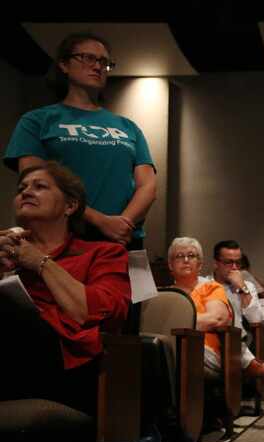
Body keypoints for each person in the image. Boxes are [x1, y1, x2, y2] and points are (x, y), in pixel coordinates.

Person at [4, 32, 156, 250]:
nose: (97, 66)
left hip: (123, 239)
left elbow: (148, 186)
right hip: (63, 238)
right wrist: (101, 221)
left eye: (104, 62)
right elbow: (36, 185)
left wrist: (122, 224)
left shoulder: (128, 127)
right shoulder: (37, 121)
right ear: (64, 65)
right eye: (88, 58)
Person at [0, 162, 130, 416]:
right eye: (22, 188)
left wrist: (38, 261)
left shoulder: (103, 253)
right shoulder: (6, 254)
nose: (26, 192)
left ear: (70, 206)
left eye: (40, 186)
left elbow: (97, 313)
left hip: (68, 367)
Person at [167, 237, 233, 382]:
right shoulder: (164, 294)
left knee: (180, 351)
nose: (185, 260)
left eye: (191, 256)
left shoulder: (211, 288)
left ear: (200, 264)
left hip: (204, 351)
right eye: (179, 256)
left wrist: (171, 325)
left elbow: (216, 319)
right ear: (170, 265)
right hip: (170, 348)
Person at [210, 240, 264, 378]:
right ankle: (251, 364)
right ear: (216, 263)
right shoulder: (205, 284)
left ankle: (250, 364)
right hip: (210, 335)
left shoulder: (247, 286)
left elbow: (256, 320)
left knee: (233, 333)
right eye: (228, 262)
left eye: (238, 262)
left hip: (238, 337)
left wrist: (243, 290)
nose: (234, 267)